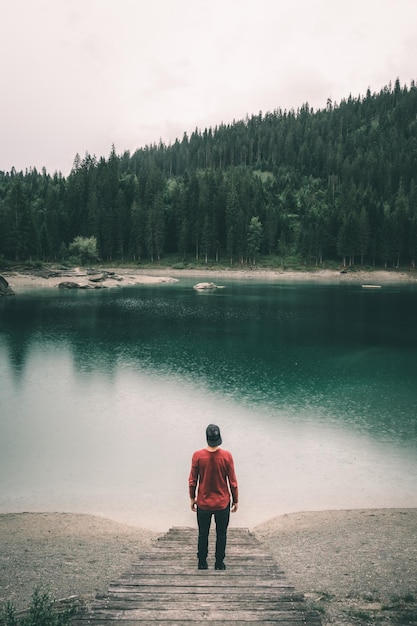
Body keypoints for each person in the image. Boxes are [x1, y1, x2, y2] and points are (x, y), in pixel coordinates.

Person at [188, 424, 238, 570]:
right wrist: (236, 500)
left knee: (203, 533)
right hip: (222, 504)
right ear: (218, 438)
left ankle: (202, 562)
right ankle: (219, 563)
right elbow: (233, 482)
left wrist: (192, 498)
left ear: (207, 438)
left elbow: (192, 480)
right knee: (221, 534)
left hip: (203, 503)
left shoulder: (197, 456)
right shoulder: (227, 456)